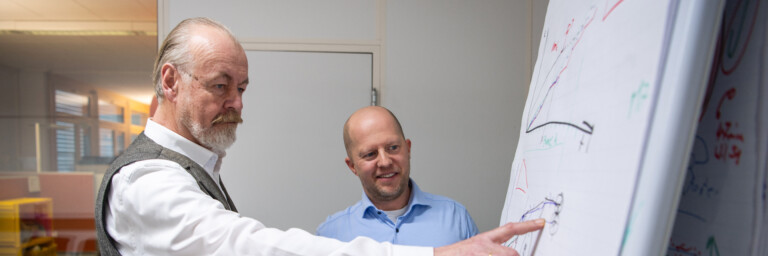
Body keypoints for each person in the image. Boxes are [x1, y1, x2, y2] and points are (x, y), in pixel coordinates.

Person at [95, 17, 544, 255]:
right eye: (220, 86)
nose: (236, 103)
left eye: (242, 89)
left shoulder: (198, 168)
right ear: (170, 81)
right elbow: (246, 247)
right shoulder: (147, 181)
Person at [317, 106, 478, 247]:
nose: (385, 162)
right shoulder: (330, 236)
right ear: (352, 166)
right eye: (370, 154)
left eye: (393, 147)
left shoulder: (455, 218)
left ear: (408, 149)